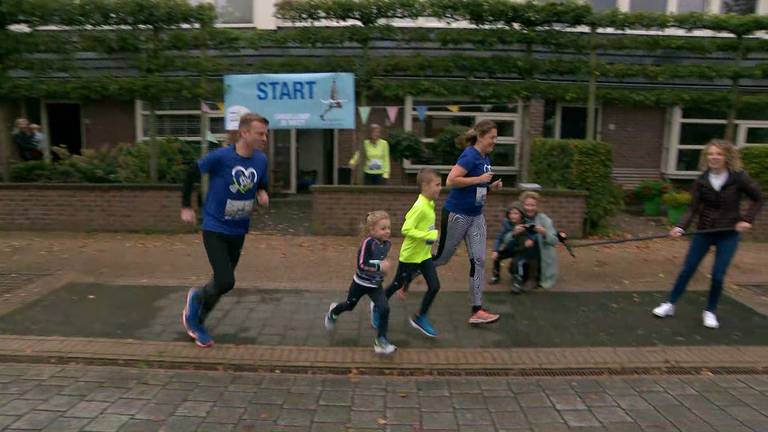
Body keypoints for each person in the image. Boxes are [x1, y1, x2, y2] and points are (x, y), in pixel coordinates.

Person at [180, 113, 270, 348]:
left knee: (223, 283)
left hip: (239, 229)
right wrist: (186, 206)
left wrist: (262, 192)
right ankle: (196, 307)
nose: (265, 138)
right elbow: (191, 173)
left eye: (266, 133)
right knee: (225, 279)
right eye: (260, 133)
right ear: (244, 133)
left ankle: (198, 316)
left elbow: (260, 181)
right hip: (214, 226)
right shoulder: (221, 157)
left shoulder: (261, 160)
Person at [652, 139, 762, 329]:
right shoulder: (702, 180)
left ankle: (710, 311)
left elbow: (759, 198)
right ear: (706, 157)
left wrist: (747, 220)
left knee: (718, 275)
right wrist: (681, 227)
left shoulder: (739, 177)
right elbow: (692, 208)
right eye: (710, 154)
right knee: (688, 268)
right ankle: (670, 304)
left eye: (718, 154)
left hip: (728, 233)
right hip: (704, 230)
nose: (714, 157)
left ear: (727, 156)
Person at [432, 120, 503, 325]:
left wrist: (490, 187)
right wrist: (479, 179)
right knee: (442, 258)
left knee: (479, 261)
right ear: (481, 136)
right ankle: (406, 278)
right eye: (492, 138)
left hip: (476, 216)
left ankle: (477, 309)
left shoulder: (485, 157)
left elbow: (479, 186)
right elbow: (451, 180)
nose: (494, 142)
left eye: (495, 138)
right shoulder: (469, 155)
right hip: (457, 214)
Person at [373, 168, 442, 337]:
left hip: (424, 255)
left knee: (434, 286)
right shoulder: (419, 206)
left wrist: (430, 238)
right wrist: (429, 235)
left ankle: (420, 317)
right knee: (397, 284)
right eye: (437, 184)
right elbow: (406, 229)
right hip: (410, 256)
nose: (440, 188)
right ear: (425, 186)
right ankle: (377, 306)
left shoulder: (429, 203)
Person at [324, 211, 397, 355]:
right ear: (372, 230)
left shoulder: (387, 244)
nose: (387, 231)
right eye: (383, 228)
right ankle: (333, 312)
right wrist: (380, 266)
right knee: (350, 305)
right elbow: (362, 264)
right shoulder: (367, 243)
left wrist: (383, 271)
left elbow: (379, 261)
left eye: (389, 228)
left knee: (385, 308)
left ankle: (381, 341)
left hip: (375, 286)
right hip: (360, 284)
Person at [490, 201, 537, 294]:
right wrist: (495, 250)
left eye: (516, 213)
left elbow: (534, 234)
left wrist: (531, 240)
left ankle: (517, 283)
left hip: (521, 249)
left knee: (517, 262)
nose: (512, 216)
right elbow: (500, 237)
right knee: (497, 257)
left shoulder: (528, 223)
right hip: (510, 247)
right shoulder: (506, 223)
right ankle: (496, 276)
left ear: (521, 214)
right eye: (510, 213)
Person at [519, 191, 560, 290]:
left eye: (533, 205)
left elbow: (554, 241)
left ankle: (533, 279)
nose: (529, 208)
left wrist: (545, 233)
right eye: (527, 204)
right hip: (522, 252)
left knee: (532, 245)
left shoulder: (544, 220)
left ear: (537, 206)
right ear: (522, 205)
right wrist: (514, 232)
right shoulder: (518, 217)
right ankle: (521, 275)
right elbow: (506, 239)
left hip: (540, 255)